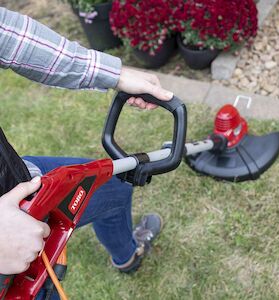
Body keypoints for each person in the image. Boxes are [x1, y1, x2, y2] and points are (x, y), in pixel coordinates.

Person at [0, 5, 173, 294]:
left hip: (19, 178)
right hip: (11, 274)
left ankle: (127, 255)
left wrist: (112, 74)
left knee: (116, 187)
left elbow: (7, 34)